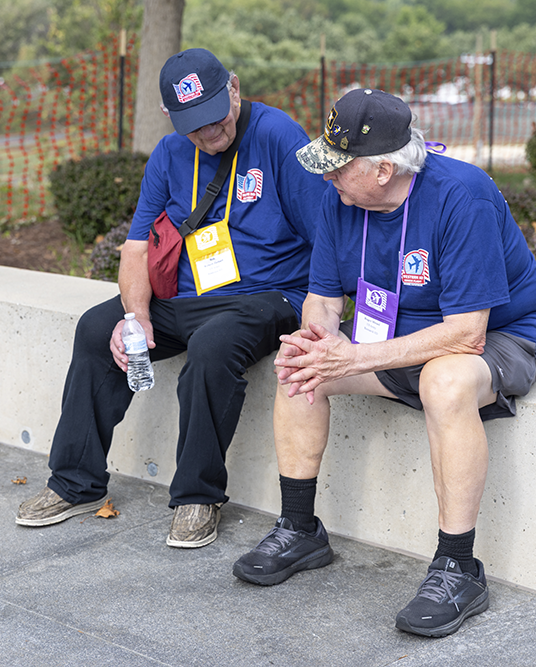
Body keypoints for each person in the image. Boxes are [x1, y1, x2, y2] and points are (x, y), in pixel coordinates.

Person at [232, 89, 536, 638]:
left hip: (501, 338)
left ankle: (458, 567)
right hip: (393, 340)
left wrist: (354, 355)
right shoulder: (342, 200)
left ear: (383, 168)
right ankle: (300, 527)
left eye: (339, 166)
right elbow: (325, 297)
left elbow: (467, 333)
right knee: (300, 365)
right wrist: (320, 337)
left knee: (445, 381)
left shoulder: (462, 196)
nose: (326, 176)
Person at [16, 48, 327, 549]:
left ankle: (196, 496)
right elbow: (137, 247)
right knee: (98, 329)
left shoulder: (277, 137)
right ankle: (76, 483)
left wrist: (322, 316)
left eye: (213, 117)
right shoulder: (169, 154)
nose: (208, 133)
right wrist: (135, 318)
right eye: (193, 125)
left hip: (270, 296)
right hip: (189, 297)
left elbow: (328, 238)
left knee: (215, 342)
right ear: (171, 118)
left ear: (234, 87)